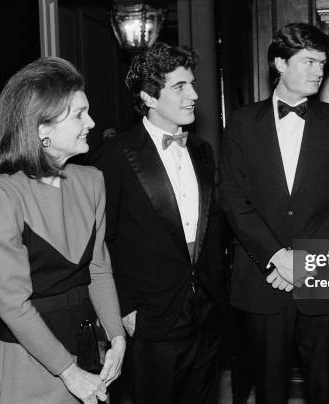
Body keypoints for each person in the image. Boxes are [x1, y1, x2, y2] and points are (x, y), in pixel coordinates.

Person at [0, 57, 126, 404]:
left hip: (89, 347)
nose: (92, 122)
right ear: (43, 130)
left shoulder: (92, 181)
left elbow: (98, 269)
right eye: (79, 114)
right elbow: (13, 304)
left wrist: (116, 337)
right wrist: (68, 372)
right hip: (31, 360)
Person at [220, 22, 329, 403]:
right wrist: (277, 257)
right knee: (268, 390)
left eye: (323, 63)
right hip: (263, 280)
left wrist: (302, 259)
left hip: (322, 279)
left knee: (326, 389)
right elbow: (233, 199)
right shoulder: (241, 122)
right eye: (310, 62)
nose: (320, 71)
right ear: (280, 63)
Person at [94, 42, 226, 403]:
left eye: (192, 84)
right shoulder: (116, 155)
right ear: (149, 97)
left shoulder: (202, 150)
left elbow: (210, 229)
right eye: (180, 87)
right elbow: (103, 240)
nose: (194, 95)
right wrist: (124, 308)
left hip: (206, 309)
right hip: (151, 316)